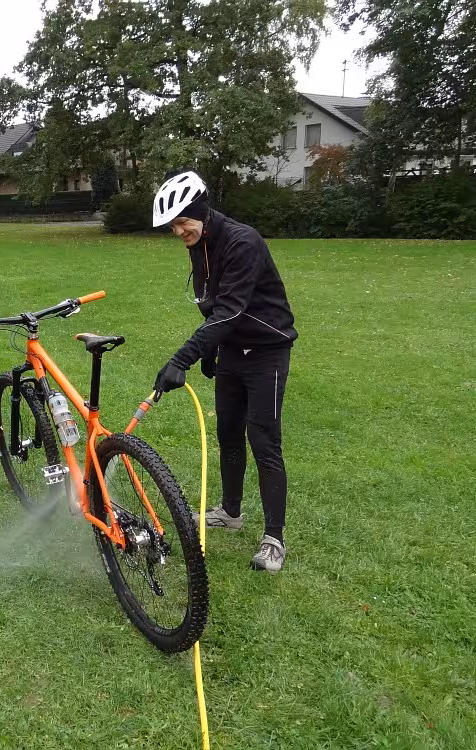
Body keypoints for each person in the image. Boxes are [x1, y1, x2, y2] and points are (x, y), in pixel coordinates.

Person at [151, 170, 297, 573]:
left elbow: (230, 309)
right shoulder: (200, 242)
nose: (179, 232)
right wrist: (212, 349)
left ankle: (274, 538)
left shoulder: (242, 241)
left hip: (266, 350)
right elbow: (213, 303)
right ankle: (230, 513)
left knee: (263, 439)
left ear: (202, 211)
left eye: (183, 222)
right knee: (228, 434)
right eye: (172, 226)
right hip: (232, 347)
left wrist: (182, 359)